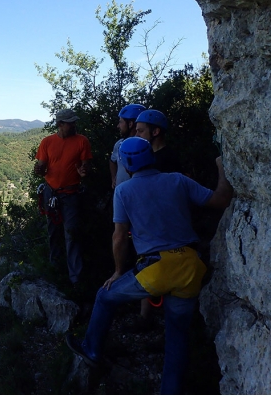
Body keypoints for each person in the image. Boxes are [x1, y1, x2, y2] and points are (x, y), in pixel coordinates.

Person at [66, 137, 233, 394]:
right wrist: (221, 166)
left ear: (127, 165)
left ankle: (92, 350)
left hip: (157, 268)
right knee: (176, 336)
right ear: (150, 157)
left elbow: (119, 236)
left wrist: (119, 270)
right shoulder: (177, 179)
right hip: (190, 266)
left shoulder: (124, 191)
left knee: (105, 296)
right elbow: (221, 200)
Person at [127, 109, 184, 332]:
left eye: (140, 131)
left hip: (163, 227)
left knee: (153, 269)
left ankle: (155, 322)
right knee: (145, 267)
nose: (137, 135)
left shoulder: (168, 160)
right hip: (150, 225)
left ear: (156, 131)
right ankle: (146, 317)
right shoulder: (152, 158)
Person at [34, 108, 93, 288]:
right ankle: (55, 269)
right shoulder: (47, 142)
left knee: (71, 234)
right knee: (53, 231)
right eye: (70, 123)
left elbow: (86, 166)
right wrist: (39, 170)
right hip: (51, 192)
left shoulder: (82, 141)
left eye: (74, 122)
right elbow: (41, 166)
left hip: (70, 193)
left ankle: (75, 279)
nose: (74, 125)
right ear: (60, 124)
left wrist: (84, 172)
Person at [110, 104, 146, 189]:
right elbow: (112, 161)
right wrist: (113, 178)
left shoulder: (146, 147)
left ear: (130, 124)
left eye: (120, 122)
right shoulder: (119, 144)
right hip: (121, 193)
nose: (118, 126)